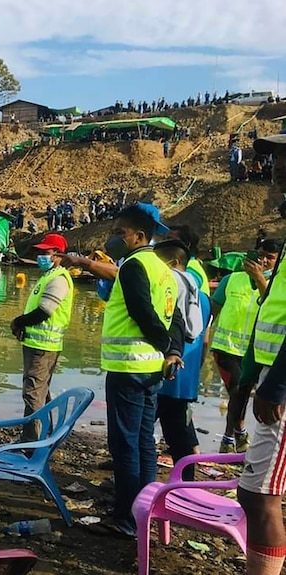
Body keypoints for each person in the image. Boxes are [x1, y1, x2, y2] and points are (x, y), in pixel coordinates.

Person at [100, 204, 184, 537]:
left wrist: (165, 346)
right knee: (144, 441)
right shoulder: (163, 269)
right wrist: (172, 350)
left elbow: (144, 313)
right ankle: (143, 508)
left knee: (124, 443)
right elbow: (175, 317)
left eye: (119, 233)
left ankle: (126, 517)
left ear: (139, 236)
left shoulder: (134, 265)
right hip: (151, 369)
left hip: (129, 368)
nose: (114, 238)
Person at [232, 133, 286, 575]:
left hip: (282, 390)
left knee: (258, 495)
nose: (275, 165)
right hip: (270, 377)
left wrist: (276, 386)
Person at [207, 240, 280, 453]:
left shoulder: (276, 286)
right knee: (238, 390)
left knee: (242, 394)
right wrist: (202, 338)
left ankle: (229, 439)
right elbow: (213, 311)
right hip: (226, 348)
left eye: (270, 257)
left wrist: (260, 279)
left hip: (255, 351)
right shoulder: (231, 280)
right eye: (260, 254)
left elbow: (270, 305)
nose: (263, 260)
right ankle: (239, 433)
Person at [154, 240, 210, 481]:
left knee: (141, 429)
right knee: (178, 431)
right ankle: (186, 483)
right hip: (185, 375)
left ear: (174, 263)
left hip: (165, 370)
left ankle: (136, 483)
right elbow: (205, 338)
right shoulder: (204, 298)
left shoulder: (169, 288)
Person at [11, 233, 74, 441]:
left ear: (58, 255)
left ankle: (31, 442)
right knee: (41, 393)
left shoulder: (59, 279)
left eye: (45, 252)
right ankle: (45, 434)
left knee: (33, 394)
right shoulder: (49, 276)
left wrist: (19, 321)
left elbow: (45, 310)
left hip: (43, 346)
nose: (40, 256)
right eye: (39, 252)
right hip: (38, 343)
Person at [167, 224, 211, 296]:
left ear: (186, 244)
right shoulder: (177, 265)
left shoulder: (191, 270)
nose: (165, 243)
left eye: (170, 239)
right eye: (165, 239)